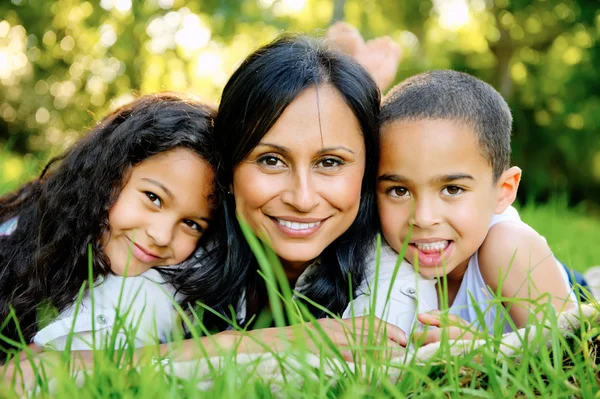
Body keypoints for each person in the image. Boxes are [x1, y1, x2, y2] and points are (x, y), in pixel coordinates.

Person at [0, 93, 237, 359]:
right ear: (107, 177)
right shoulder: (16, 237)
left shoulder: (181, 281)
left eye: (191, 223)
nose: (160, 235)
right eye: (153, 198)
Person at [367, 70, 577, 344]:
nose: (423, 218)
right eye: (399, 190)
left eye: (452, 189)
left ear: (504, 191)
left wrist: (482, 350)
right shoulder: (372, 252)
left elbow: (575, 359)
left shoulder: (510, 248)